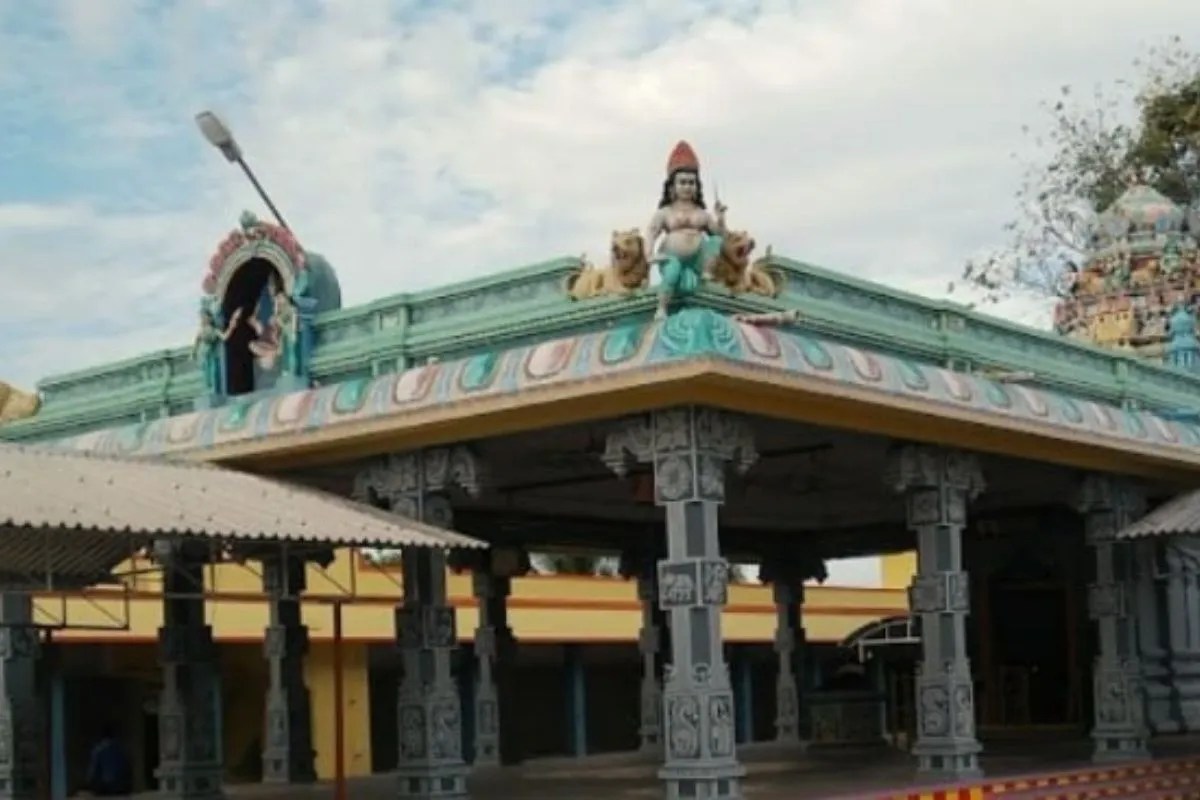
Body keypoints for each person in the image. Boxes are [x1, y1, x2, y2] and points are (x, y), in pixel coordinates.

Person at [644, 140, 729, 319]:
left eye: (691, 183)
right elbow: (651, 232)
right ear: (672, 187)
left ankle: (706, 276)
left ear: (697, 187)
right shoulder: (665, 212)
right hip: (672, 258)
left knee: (715, 242)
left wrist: (721, 218)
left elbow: (721, 237)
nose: (687, 187)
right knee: (673, 271)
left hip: (698, 261)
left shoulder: (702, 214)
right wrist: (649, 255)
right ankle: (661, 307)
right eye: (682, 182)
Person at [85, 724, 133, 797]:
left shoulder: (98, 750)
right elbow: (127, 767)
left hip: (105, 787)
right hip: (120, 786)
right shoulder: (121, 749)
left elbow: (93, 771)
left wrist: (89, 784)